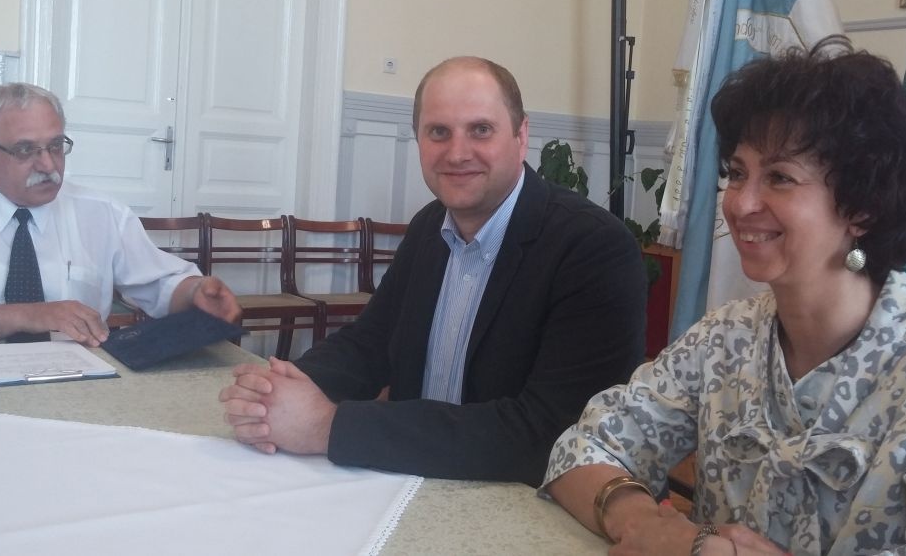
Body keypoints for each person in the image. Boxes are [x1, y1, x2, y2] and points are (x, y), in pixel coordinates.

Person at [544, 38, 906, 554]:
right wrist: (646, 523)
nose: (741, 203)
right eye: (738, 173)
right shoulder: (724, 339)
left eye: (780, 178)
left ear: (863, 208)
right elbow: (582, 448)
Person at [219, 56, 646, 485]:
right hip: (412, 480)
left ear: (521, 136)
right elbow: (371, 343)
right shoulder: (430, 225)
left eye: (481, 129)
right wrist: (280, 389)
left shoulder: (594, 248)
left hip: (520, 501)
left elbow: (551, 433)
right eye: (439, 132)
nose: (457, 153)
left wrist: (326, 426)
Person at [0, 83, 240, 350]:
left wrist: (195, 293)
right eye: (25, 150)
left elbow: (162, 285)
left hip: (76, 388)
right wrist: (26, 315)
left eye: (57, 146)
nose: (48, 165)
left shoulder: (101, 212)